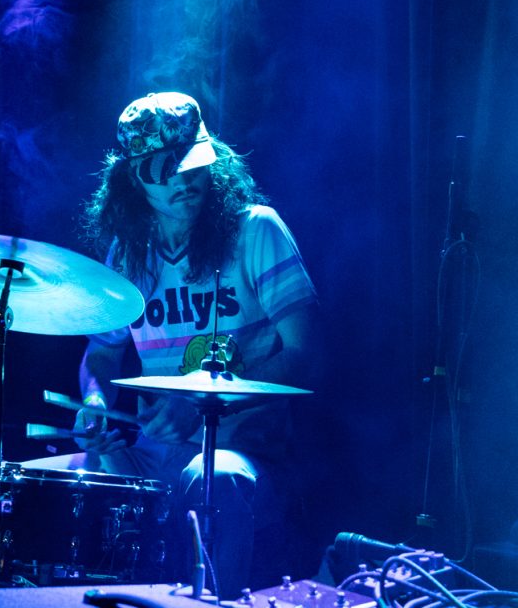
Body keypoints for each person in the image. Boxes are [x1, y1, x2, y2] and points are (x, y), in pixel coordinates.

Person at [44, 91, 318, 594]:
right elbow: (102, 354)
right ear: (134, 178)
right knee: (36, 487)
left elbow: (308, 355)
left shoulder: (256, 230)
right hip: (152, 453)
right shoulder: (128, 254)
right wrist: (95, 402)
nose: (186, 180)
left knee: (216, 477)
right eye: (167, 169)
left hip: (247, 455)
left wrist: (204, 405)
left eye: (194, 164)